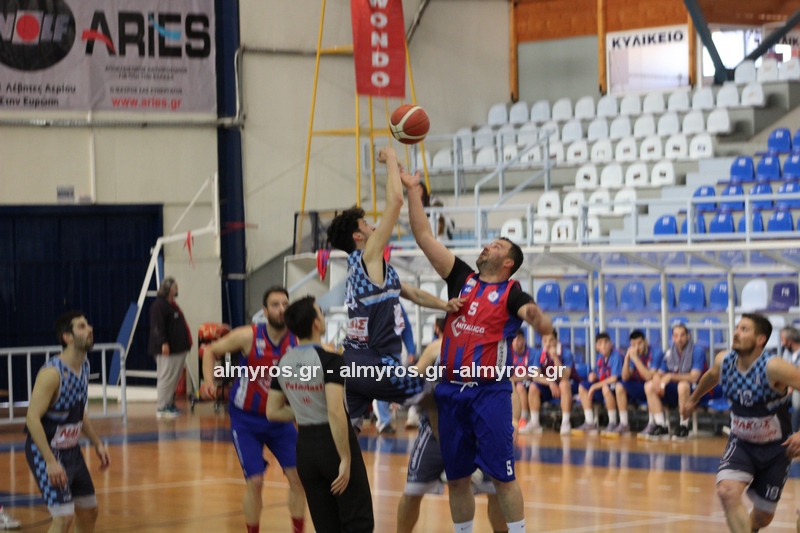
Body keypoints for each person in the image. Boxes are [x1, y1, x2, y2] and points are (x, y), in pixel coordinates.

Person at [400, 165, 552, 533]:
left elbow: (535, 317)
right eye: (489, 243)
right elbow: (424, 236)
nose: (487, 246)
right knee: (457, 480)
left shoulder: (511, 293)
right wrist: (413, 191)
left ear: (508, 262)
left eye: (496, 246)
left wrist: (539, 320)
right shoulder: (461, 278)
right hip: (450, 393)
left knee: (502, 478)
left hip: (488, 394)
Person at [326, 145, 462, 430]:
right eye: (366, 224)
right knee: (435, 398)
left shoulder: (365, 268)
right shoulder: (369, 256)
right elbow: (396, 201)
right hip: (377, 365)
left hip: (352, 364)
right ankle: (450, 457)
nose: (372, 227)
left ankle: (337, 459)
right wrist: (390, 159)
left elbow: (411, 292)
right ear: (357, 236)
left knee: (348, 433)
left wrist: (444, 305)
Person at [199, 287, 306, 533]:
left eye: (285, 304)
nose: (282, 309)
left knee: (298, 479)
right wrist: (208, 381)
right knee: (255, 482)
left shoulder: (298, 340)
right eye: (276, 305)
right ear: (264, 311)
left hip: (279, 419)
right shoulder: (248, 335)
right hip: (246, 420)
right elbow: (211, 351)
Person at [682, 313, 800, 533]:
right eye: (737, 328)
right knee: (726, 491)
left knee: (763, 516)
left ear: (760, 339)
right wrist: (692, 399)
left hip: (776, 449)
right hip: (741, 443)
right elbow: (711, 376)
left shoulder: (774, 367)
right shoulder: (724, 361)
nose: (736, 333)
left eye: (744, 329)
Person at [267, 296, 373, 533]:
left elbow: (272, 411)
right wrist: (345, 459)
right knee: (359, 522)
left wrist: (304, 409)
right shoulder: (331, 360)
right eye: (320, 313)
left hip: (305, 449)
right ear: (316, 323)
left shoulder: (283, 362)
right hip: (332, 444)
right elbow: (335, 412)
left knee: (326, 526)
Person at [397, 318, 509, 533]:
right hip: (435, 430)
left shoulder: (488, 350)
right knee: (412, 491)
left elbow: (508, 387)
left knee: (496, 489)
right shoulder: (436, 349)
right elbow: (412, 381)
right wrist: (407, 387)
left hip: (477, 432)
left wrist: (512, 420)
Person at [25, 311, 110, 533]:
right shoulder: (52, 373)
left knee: (89, 511)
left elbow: (78, 412)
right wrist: (50, 461)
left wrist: (97, 443)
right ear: (67, 337)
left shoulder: (84, 366)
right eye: (82, 326)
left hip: (71, 451)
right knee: (63, 518)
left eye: (88, 324)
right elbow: (32, 418)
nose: (90, 328)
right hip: (46, 451)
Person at [643, 323, 706, 441]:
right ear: (672, 338)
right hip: (675, 389)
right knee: (649, 385)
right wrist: (657, 377)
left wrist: (670, 376)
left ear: (688, 336)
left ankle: (683, 426)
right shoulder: (670, 352)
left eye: (682, 335)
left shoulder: (697, 351)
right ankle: (661, 426)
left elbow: (694, 377)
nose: (679, 339)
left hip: (696, 390)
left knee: (683, 385)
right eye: (676, 336)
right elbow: (660, 372)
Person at [148, 276, 193, 419]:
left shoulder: (171, 304)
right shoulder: (159, 305)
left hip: (177, 350)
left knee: (172, 380)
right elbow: (157, 326)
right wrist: (163, 343)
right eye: (175, 287)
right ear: (169, 289)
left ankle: (169, 403)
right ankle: (162, 407)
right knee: (166, 378)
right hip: (167, 351)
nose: (177, 289)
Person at [609, 329, 663, 438]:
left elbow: (649, 376)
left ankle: (652, 423)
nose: (637, 347)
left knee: (649, 385)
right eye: (633, 345)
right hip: (639, 387)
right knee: (620, 386)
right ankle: (624, 424)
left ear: (646, 341)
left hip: (654, 388)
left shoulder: (656, 352)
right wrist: (627, 360)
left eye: (639, 343)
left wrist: (635, 358)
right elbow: (625, 377)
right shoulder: (634, 355)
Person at [522, 330, 575, 435]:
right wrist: (550, 382)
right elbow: (535, 376)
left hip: (565, 387)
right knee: (533, 386)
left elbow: (564, 376)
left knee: (564, 384)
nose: (548, 343)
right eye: (545, 340)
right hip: (549, 386)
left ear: (556, 341)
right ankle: (535, 423)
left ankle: (565, 422)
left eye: (551, 340)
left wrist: (555, 358)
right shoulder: (539, 353)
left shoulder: (566, 353)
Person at [572, 333, 623, 435]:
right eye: (600, 343)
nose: (603, 346)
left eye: (605, 342)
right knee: (582, 386)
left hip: (617, 389)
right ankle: (589, 422)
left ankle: (613, 422)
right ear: (597, 346)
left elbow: (614, 378)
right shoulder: (600, 357)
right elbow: (598, 373)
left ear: (610, 344)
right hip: (602, 387)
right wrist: (593, 376)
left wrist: (595, 386)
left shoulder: (616, 356)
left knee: (605, 388)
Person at [510, 330, 533, 432]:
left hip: (528, 383)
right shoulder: (509, 354)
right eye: (514, 340)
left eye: (518, 339)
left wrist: (516, 378)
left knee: (519, 386)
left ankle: (523, 418)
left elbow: (533, 374)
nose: (516, 342)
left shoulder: (532, 353)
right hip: (513, 383)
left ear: (524, 340)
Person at [780, 326, 800, 432]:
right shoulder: (787, 352)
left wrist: (790, 389)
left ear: (789, 341)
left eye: (782, 339)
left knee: (797, 402)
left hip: (797, 388)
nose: (781, 343)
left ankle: (794, 432)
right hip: (787, 387)